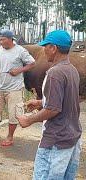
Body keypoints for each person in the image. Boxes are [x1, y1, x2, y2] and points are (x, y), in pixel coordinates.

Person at [17, 30, 82, 179]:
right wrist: (41, 102)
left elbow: (53, 109)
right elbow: (68, 100)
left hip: (56, 139)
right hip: (72, 136)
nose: (43, 50)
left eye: (45, 46)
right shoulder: (71, 70)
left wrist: (29, 119)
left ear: (53, 48)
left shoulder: (54, 73)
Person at [0, 30, 35, 146]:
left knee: (14, 113)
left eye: (3, 39)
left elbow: (32, 63)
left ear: (10, 39)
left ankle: (10, 137)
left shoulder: (20, 51)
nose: (1, 42)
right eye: (0, 40)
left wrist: (19, 70)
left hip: (15, 88)